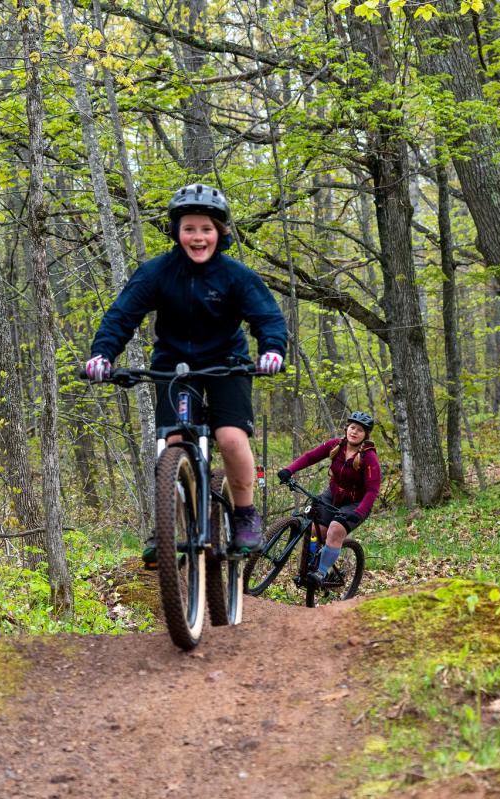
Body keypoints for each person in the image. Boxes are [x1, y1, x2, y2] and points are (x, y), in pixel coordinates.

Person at [85, 183, 288, 565]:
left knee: (229, 438)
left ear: (219, 233)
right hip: (174, 367)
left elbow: (267, 317)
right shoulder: (157, 273)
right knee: (173, 439)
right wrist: (102, 355)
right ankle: (167, 525)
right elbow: (121, 316)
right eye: (189, 228)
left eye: (206, 228)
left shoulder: (235, 276)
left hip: (227, 364)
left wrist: (273, 350)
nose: (198, 237)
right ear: (177, 232)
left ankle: (244, 513)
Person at [277, 411, 382, 589]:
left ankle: (321, 572)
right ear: (347, 428)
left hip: (356, 503)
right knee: (313, 530)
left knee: (334, 530)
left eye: (360, 430)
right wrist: (289, 470)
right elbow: (310, 457)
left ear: (365, 435)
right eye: (352, 427)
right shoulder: (336, 445)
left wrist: (360, 512)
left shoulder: (369, 457)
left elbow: (372, 490)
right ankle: (310, 564)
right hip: (332, 495)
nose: (354, 432)